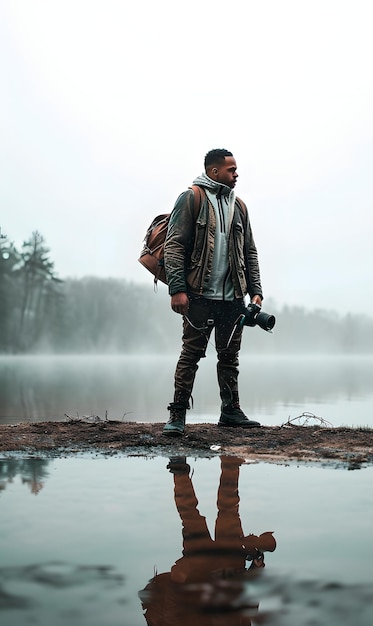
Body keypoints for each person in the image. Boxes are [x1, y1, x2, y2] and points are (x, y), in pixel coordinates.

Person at [163, 149, 264, 436]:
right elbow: (174, 245)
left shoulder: (240, 206)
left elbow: (250, 252)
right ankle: (177, 415)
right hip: (197, 295)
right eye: (231, 169)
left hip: (233, 297)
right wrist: (177, 289)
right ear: (215, 171)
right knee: (191, 355)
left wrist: (256, 290)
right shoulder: (191, 198)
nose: (236, 174)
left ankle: (230, 411)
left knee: (229, 357)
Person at [138, 455, 276, 625]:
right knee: (226, 510)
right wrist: (256, 567)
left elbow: (171, 611)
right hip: (228, 566)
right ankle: (229, 462)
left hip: (197, 568)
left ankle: (180, 470)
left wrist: (178, 579)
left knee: (194, 516)